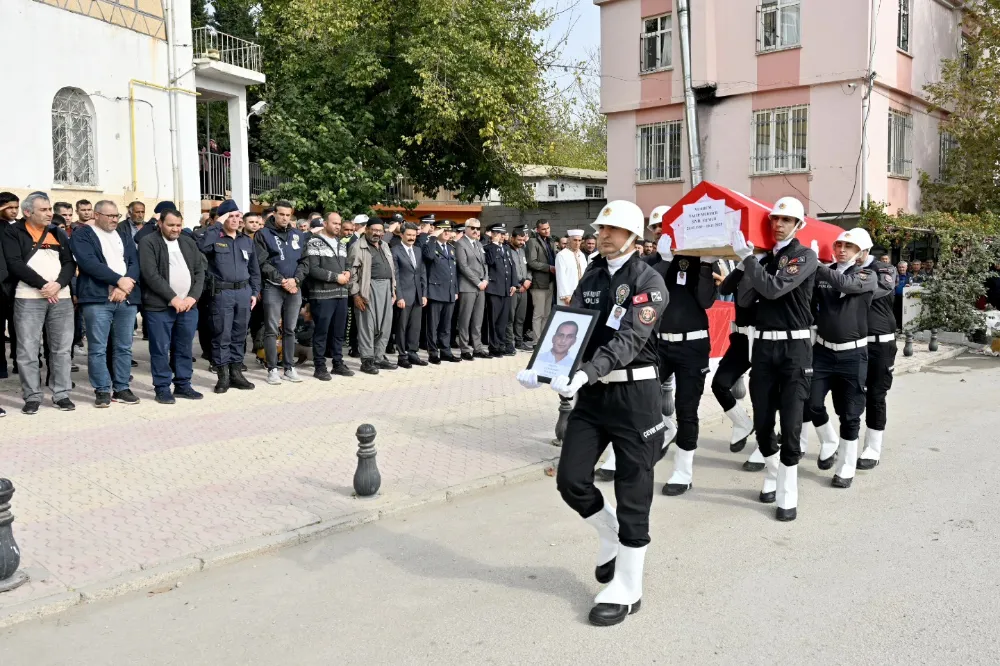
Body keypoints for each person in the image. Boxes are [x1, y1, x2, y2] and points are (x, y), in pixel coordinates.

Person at [517, 200, 668, 627]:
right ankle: (610, 534)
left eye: (614, 230)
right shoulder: (595, 274)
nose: (603, 235)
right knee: (571, 479)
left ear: (634, 237)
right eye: (601, 228)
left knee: (633, 489)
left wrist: (584, 372)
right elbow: (570, 324)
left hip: (635, 397)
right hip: (593, 395)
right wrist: (541, 366)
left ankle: (628, 587)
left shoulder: (649, 281)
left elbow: (629, 340)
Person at [733, 196, 817, 521]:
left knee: (792, 422)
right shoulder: (765, 261)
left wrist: (749, 261)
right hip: (765, 347)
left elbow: (773, 290)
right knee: (763, 421)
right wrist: (746, 263)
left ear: (798, 225)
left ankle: (787, 493)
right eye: (774, 219)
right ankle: (772, 471)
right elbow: (744, 298)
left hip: (795, 349)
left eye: (785, 220)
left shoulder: (804, 256)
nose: (778, 224)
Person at [644, 229, 717, 496]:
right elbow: (649, 293)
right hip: (660, 344)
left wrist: (707, 264)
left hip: (692, 345)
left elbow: (705, 300)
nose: (664, 232)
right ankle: (660, 433)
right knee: (639, 397)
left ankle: (683, 472)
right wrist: (663, 261)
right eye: (658, 228)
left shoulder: (696, 258)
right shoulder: (654, 260)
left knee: (687, 408)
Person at [804, 228, 877, 491]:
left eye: (849, 246)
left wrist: (816, 264)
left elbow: (845, 284)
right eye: (839, 244)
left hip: (853, 355)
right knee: (810, 402)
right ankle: (829, 440)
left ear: (860, 253)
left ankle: (845, 466)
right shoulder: (823, 272)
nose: (842, 249)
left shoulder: (867, 275)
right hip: (823, 351)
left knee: (850, 413)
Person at [2, 193, 77, 413]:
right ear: (28, 212)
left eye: (49, 209)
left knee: (61, 349)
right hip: (28, 298)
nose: (49, 213)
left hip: (60, 297)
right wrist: (44, 285)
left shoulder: (57, 232)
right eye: (43, 210)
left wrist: (59, 284)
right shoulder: (13, 232)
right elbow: (14, 263)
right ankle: (32, 396)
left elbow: (69, 263)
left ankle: (61, 394)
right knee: (27, 349)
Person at [70, 200, 142, 407]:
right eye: (109, 216)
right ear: (96, 214)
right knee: (98, 348)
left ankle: (121, 387)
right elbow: (89, 263)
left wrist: (124, 287)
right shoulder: (83, 234)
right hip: (97, 298)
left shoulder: (123, 234)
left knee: (124, 347)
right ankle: (102, 389)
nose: (113, 220)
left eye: (116, 216)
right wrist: (118, 280)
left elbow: (133, 262)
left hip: (125, 298)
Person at [138, 209, 206, 403]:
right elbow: (150, 274)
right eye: (171, 225)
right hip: (159, 307)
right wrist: (173, 298)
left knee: (184, 347)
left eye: (178, 225)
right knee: (160, 348)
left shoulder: (187, 241)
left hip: (188, 306)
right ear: (160, 223)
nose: (175, 229)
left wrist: (192, 297)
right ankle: (162, 387)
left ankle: (183, 385)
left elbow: (199, 271)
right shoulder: (148, 242)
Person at [199, 199, 260, 393]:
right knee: (221, 334)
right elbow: (201, 247)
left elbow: (254, 269)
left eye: (238, 216)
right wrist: (217, 224)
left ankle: (236, 373)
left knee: (239, 335)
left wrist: (254, 292)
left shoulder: (245, 241)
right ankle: (223, 376)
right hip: (222, 293)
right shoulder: (214, 238)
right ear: (223, 218)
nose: (235, 220)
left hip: (243, 292)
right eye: (230, 216)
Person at [256, 200, 308, 385]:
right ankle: (272, 368)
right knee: (271, 329)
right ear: (274, 214)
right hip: (273, 287)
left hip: (294, 287)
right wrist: (282, 281)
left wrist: (296, 280)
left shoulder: (298, 234)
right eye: (281, 214)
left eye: (288, 215)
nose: (285, 218)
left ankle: (289, 367)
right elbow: (263, 262)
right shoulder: (263, 234)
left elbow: (305, 261)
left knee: (290, 329)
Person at [712, 257, 757, 458]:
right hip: (741, 339)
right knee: (720, 383)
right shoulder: (743, 267)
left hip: (765, 340)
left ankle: (767, 444)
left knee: (764, 394)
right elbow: (725, 289)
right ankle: (742, 423)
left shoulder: (774, 266)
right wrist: (741, 265)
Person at [859, 245, 898, 471]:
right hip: (852, 343)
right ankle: (840, 443)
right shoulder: (843, 270)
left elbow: (881, 289)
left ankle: (872, 448)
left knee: (875, 394)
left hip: (880, 343)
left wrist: (847, 284)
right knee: (848, 395)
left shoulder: (884, 269)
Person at [301, 212, 354, 380]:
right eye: (334, 223)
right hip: (322, 295)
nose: (338, 226)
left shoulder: (341, 243)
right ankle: (320, 366)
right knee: (321, 332)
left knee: (339, 332)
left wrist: (347, 272)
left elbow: (346, 264)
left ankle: (338, 363)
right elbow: (313, 269)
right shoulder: (314, 242)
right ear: (325, 223)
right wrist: (336, 277)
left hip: (341, 294)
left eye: (339, 223)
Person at [348, 217, 397, 374]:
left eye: (380, 230)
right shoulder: (357, 247)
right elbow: (351, 273)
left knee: (385, 325)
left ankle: (379, 357)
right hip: (368, 288)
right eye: (374, 230)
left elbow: (392, 269)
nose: (377, 233)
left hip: (387, 288)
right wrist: (355, 295)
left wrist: (393, 290)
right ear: (367, 229)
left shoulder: (385, 246)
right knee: (367, 325)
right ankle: (367, 360)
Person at [423, 220, 460, 364]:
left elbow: (453, 272)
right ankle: (433, 352)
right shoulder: (431, 245)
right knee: (433, 326)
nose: (446, 232)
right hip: (436, 291)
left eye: (449, 229)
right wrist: (432, 237)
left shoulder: (451, 248)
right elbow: (429, 257)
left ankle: (445, 351)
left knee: (446, 325)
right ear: (437, 230)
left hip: (449, 292)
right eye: (443, 229)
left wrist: (455, 290)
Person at [391, 222, 427, 369]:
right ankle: (402, 355)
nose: (412, 237)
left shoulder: (418, 250)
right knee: (402, 327)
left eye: (414, 235)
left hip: (418, 295)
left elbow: (422, 273)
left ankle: (413, 353)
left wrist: (424, 294)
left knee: (415, 327)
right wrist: (399, 296)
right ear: (402, 235)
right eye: (409, 235)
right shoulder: (395, 250)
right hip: (404, 296)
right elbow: (396, 276)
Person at [455, 217, 489, 360]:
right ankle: (464, 348)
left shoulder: (479, 244)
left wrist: (486, 279)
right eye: (472, 228)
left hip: (481, 286)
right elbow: (463, 266)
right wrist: (477, 282)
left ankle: (477, 347)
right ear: (466, 229)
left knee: (477, 319)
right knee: (465, 319)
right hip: (468, 286)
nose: (476, 231)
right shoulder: (460, 244)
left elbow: (484, 264)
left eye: (477, 228)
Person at [484, 223, 516, 356]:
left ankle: (501, 345)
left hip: (506, 289)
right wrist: (495, 244)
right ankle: (494, 347)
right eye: (500, 234)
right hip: (494, 289)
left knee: (503, 321)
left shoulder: (507, 249)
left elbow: (512, 266)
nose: (503, 236)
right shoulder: (489, 248)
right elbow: (490, 262)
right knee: (493, 320)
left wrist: (514, 284)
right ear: (494, 235)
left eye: (503, 234)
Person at [525, 219, 558, 344]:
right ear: (537, 230)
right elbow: (531, 262)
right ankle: (536, 341)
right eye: (543, 229)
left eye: (548, 228)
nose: (547, 230)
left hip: (550, 282)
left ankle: (543, 340)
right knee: (538, 314)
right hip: (539, 283)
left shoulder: (551, 241)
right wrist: (548, 268)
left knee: (547, 314)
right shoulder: (532, 242)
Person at [0, 191, 20, 377]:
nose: (13, 211)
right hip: (1, 283)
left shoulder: (21, 227)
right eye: (9, 208)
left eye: (16, 207)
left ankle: (18, 361)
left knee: (18, 325)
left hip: (17, 283)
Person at [506, 226, 532, 351]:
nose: (522, 242)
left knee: (521, 318)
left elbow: (528, 268)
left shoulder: (523, 251)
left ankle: (519, 341)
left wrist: (528, 280)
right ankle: (509, 342)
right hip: (513, 288)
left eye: (523, 240)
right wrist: (517, 284)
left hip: (524, 288)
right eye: (519, 240)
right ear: (512, 238)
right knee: (510, 317)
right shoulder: (506, 250)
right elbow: (507, 271)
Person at [555, 230, 588, 306]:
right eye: (575, 240)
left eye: (579, 240)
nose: (577, 243)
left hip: (581, 293)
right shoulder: (562, 255)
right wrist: (565, 295)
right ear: (569, 240)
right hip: (568, 294)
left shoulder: (582, 255)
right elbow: (560, 276)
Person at [893, 261, 910, 330]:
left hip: (907, 299)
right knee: (896, 313)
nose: (901, 269)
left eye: (903, 267)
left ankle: (904, 327)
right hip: (896, 298)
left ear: (906, 268)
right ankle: (897, 327)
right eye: (900, 267)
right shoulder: (894, 276)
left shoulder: (910, 276)